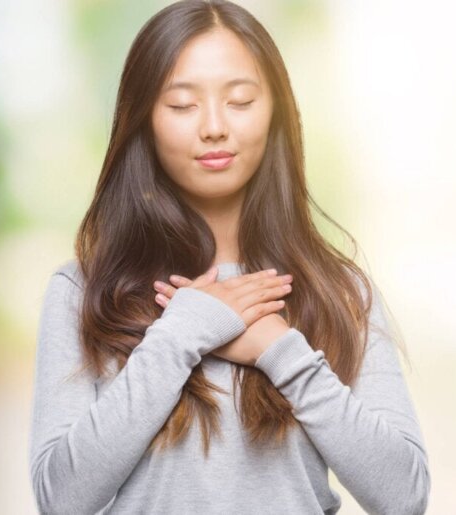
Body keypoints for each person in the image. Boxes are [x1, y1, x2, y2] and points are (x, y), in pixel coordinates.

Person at [27, 1, 431, 513]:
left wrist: (280, 349)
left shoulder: (338, 290)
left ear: (277, 111)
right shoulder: (84, 291)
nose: (214, 127)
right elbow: (61, 499)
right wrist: (180, 335)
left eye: (240, 101)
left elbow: (405, 496)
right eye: (181, 105)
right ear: (143, 119)